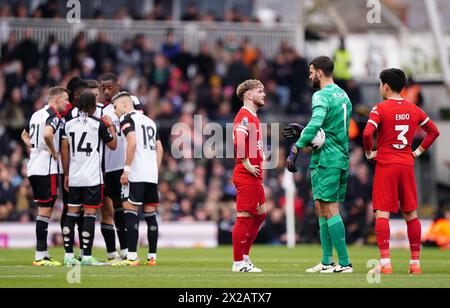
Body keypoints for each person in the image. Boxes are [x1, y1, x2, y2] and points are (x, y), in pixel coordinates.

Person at [363, 68, 440, 275]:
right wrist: (417, 152)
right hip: (406, 164)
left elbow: (367, 133)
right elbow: (434, 131)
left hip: (386, 164)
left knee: (382, 213)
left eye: (380, 84)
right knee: (411, 214)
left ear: (385, 86)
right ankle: (415, 263)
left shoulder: (379, 108)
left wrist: (370, 153)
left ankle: (386, 262)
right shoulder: (414, 109)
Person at [285, 56, 353, 273]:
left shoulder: (321, 95)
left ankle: (344, 263)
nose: (310, 75)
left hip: (328, 159)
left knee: (330, 208)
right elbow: (328, 129)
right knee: (321, 207)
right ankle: (326, 261)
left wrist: (296, 147)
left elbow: (317, 123)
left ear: (320, 73)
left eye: (311, 71)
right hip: (337, 156)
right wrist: (304, 130)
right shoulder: (343, 95)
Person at [60, 90, 117, 266]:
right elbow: (113, 145)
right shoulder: (98, 124)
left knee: (71, 214)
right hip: (92, 177)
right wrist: (111, 127)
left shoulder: (68, 125)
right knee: (90, 215)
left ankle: (69, 256)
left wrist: (67, 173)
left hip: (75, 175)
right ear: (93, 106)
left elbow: (64, 149)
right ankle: (86, 256)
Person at [111, 92, 163, 266]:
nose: (114, 110)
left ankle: (131, 257)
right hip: (150, 174)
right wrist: (154, 169)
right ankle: (152, 256)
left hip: (136, 172)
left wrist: (126, 169)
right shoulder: (150, 121)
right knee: (150, 215)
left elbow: (131, 141)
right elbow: (160, 149)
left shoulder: (127, 119)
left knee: (130, 213)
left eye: (115, 106)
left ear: (126, 105)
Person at [98, 73, 144, 261]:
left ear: (118, 85)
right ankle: (123, 250)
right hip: (109, 164)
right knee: (116, 207)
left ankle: (130, 250)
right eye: (104, 88)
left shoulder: (130, 101)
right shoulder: (103, 110)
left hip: (127, 163)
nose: (107, 91)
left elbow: (139, 123)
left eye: (110, 87)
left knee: (129, 207)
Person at [21, 86, 69, 266]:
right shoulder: (54, 116)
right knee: (45, 212)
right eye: (65, 99)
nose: (67, 103)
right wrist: (53, 151)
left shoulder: (36, 114)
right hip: (46, 169)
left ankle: (42, 253)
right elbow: (48, 134)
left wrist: (34, 146)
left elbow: (24, 134)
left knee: (43, 211)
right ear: (56, 99)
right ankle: (40, 255)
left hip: (33, 167)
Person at [231, 79, 267, 273]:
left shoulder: (252, 116)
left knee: (261, 214)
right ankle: (238, 262)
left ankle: (245, 256)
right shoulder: (244, 116)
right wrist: (246, 162)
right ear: (249, 95)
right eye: (260, 91)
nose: (264, 94)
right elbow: (239, 140)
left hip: (254, 175)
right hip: (246, 173)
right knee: (244, 216)